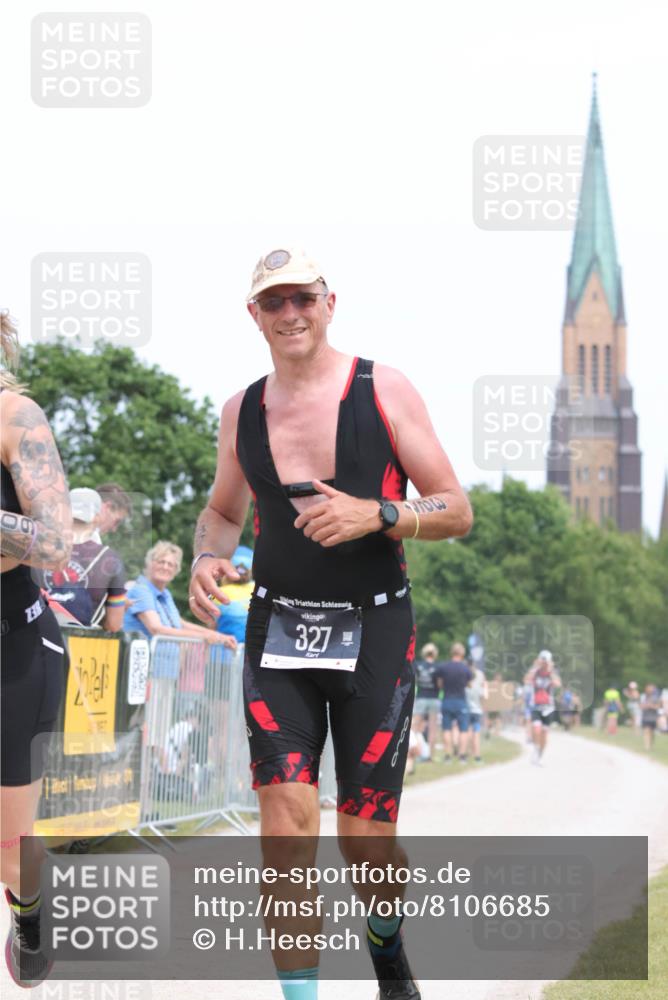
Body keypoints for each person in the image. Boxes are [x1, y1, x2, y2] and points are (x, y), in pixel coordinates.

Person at [188, 247, 473, 1000]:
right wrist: (205, 558)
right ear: (254, 315)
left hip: (375, 630)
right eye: (273, 303)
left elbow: (456, 508)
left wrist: (378, 512)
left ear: (329, 302)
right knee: (284, 831)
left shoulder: (383, 390)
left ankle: (384, 940)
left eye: (302, 299)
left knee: (364, 841)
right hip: (278, 631)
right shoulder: (241, 410)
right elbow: (222, 512)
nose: (290, 314)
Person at [0, 309, 73, 986]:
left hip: (13, 646)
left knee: (10, 845)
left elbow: (55, 543)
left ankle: (30, 909)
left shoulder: (14, 416)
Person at [42, 487, 126, 630]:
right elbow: (114, 625)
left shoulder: (38, 546)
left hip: (34, 638)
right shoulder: (111, 559)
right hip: (77, 645)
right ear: (97, 517)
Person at [434, 643, 473, 763]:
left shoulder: (443, 667)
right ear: (462, 654)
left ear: (452, 653)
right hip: (460, 701)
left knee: (446, 729)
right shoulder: (465, 669)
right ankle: (462, 756)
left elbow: (439, 684)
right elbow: (469, 685)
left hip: (446, 700)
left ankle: (447, 756)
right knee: (463, 729)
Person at [525, 651, 562, 766]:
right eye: (543, 660)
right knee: (536, 729)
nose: (544, 663)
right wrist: (535, 666)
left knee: (544, 733)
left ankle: (540, 754)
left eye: (546, 661)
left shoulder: (552, 673)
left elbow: (557, 684)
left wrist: (550, 670)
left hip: (548, 707)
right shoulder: (535, 672)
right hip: (536, 706)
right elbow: (526, 680)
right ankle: (536, 749)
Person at [213, 544, 254, 643]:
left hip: (224, 651)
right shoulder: (259, 591)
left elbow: (211, 624)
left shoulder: (218, 593)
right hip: (253, 653)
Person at [412, 642, 442, 761]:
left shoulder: (418, 665)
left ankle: (412, 753)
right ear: (435, 654)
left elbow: (415, 680)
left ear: (424, 653)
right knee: (432, 729)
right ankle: (430, 756)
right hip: (434, 699)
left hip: (421, 698)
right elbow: (439, 685)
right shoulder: (438, 667)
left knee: (414, 727)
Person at [465, 657, 488, 763]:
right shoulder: (480, 674)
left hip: (466, 708)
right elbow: (483, 694)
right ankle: (477, 756)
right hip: (477, 709)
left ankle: (467, 753)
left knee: (468, 732)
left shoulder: (464, 674)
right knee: (476, 733)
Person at [639, 684, 661, 752]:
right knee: (646, 731)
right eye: (648, 689)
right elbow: (640, 706)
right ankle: (646, 746)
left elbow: (658, 707)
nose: (650, 690)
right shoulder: (643, 697)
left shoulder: (656, 697)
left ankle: (651, 745)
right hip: (645, 717)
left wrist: (651, 706)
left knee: (652, 732)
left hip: (653, 717)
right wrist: (645, 706)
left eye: (651, 689)